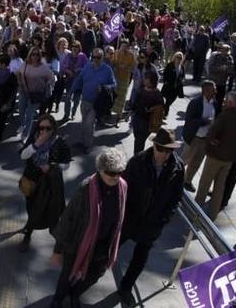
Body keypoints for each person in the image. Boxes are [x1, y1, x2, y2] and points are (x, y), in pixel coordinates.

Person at [50, 147, 129, 307]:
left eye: (119, 172)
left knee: (93, 276)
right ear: (101, 170)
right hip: (78, 244)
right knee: (67, 276)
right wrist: (58, 250)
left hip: (104, 245)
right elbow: (68, 219)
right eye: (111, 173)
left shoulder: (123, 186)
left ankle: (75, 295)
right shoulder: (86, 189)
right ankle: (58, 298)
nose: (115, 177)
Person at [116, 128, 185, 306]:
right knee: (109, 248)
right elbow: (122, 186)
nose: (164, 154)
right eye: (161, 149)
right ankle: (85, 278)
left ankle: (126, 287)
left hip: (153, 223)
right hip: (130, 217)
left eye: (169, 150)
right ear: (154, 146)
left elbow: (176, 196)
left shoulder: (177, 168)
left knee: (140, 258)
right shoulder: (138, 161)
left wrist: (165, 218)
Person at [195, 89, 236, 219]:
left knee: (204, 185)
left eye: (226, 101)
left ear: (230, 102)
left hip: (215, 157)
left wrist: (212, 145)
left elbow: (211, 133)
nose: (223, 103)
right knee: (219, 188)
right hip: (229, 159)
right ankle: (212, 215)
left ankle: (196, 213)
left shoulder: (225, 115)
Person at [19, 114, 69, 247]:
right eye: (41, 128)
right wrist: (36, 144)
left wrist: (51, 166)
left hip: (51, 183)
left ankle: (48, 233)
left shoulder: (59, 142)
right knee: (32, 207)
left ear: (54, 129)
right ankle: (29, 229)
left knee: (50, 209)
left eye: (48, 128)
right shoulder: (33, 139)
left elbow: (66, 163)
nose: (44, 131)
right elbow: (23, 155)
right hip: (32, 182)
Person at [70, 48, 117, 151]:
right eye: (94, 57)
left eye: (98, 57)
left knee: (89, 125)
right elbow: (79, 80)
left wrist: (105, 87)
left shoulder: (107, 70)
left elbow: (114, 85)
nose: (95, 59)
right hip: (85, 100)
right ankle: (82, 141)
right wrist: (72, 91)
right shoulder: (87, 67)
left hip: (96, 103)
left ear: (102, 57)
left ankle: (88, 145)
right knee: (84, 123)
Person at [181, 80, 217, 192]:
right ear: (206, 90)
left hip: (205, 139)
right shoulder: (195, 103)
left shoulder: (215, 103)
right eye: (213, 89)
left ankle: (187, 181)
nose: (216, 90)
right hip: (194, 138)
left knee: (197, 162)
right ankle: (173, 178)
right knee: (185, 160)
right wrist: (204, 121)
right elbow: (189, 121)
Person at [128, 72, 164, 157]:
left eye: (146, 79)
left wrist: (151, 109)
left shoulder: (157, 95)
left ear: (151, 81)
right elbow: (135, 104)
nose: (144, 80)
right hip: (137, 120)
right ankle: (137, 158)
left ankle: (137, 159)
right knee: (137, 141)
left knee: (139, 143)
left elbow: (160, 108)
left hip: (146, 123)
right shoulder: (142, 89)